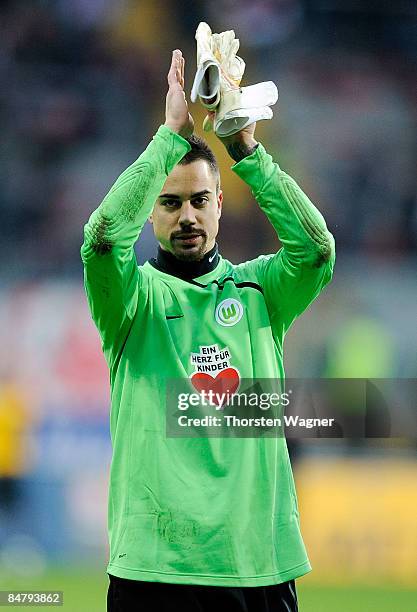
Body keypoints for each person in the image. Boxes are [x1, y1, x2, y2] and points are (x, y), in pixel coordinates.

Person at [81, 49, 335, 612]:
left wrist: (244, 148)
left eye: (199, 201)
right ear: (151, 212)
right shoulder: (133, 300)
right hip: (154, 569)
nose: (187, 216)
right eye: (169, 204)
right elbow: (101, 240)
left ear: (220, 205)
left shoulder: (260, 292)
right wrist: (170, 136)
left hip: (255, 568)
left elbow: (316, 251)